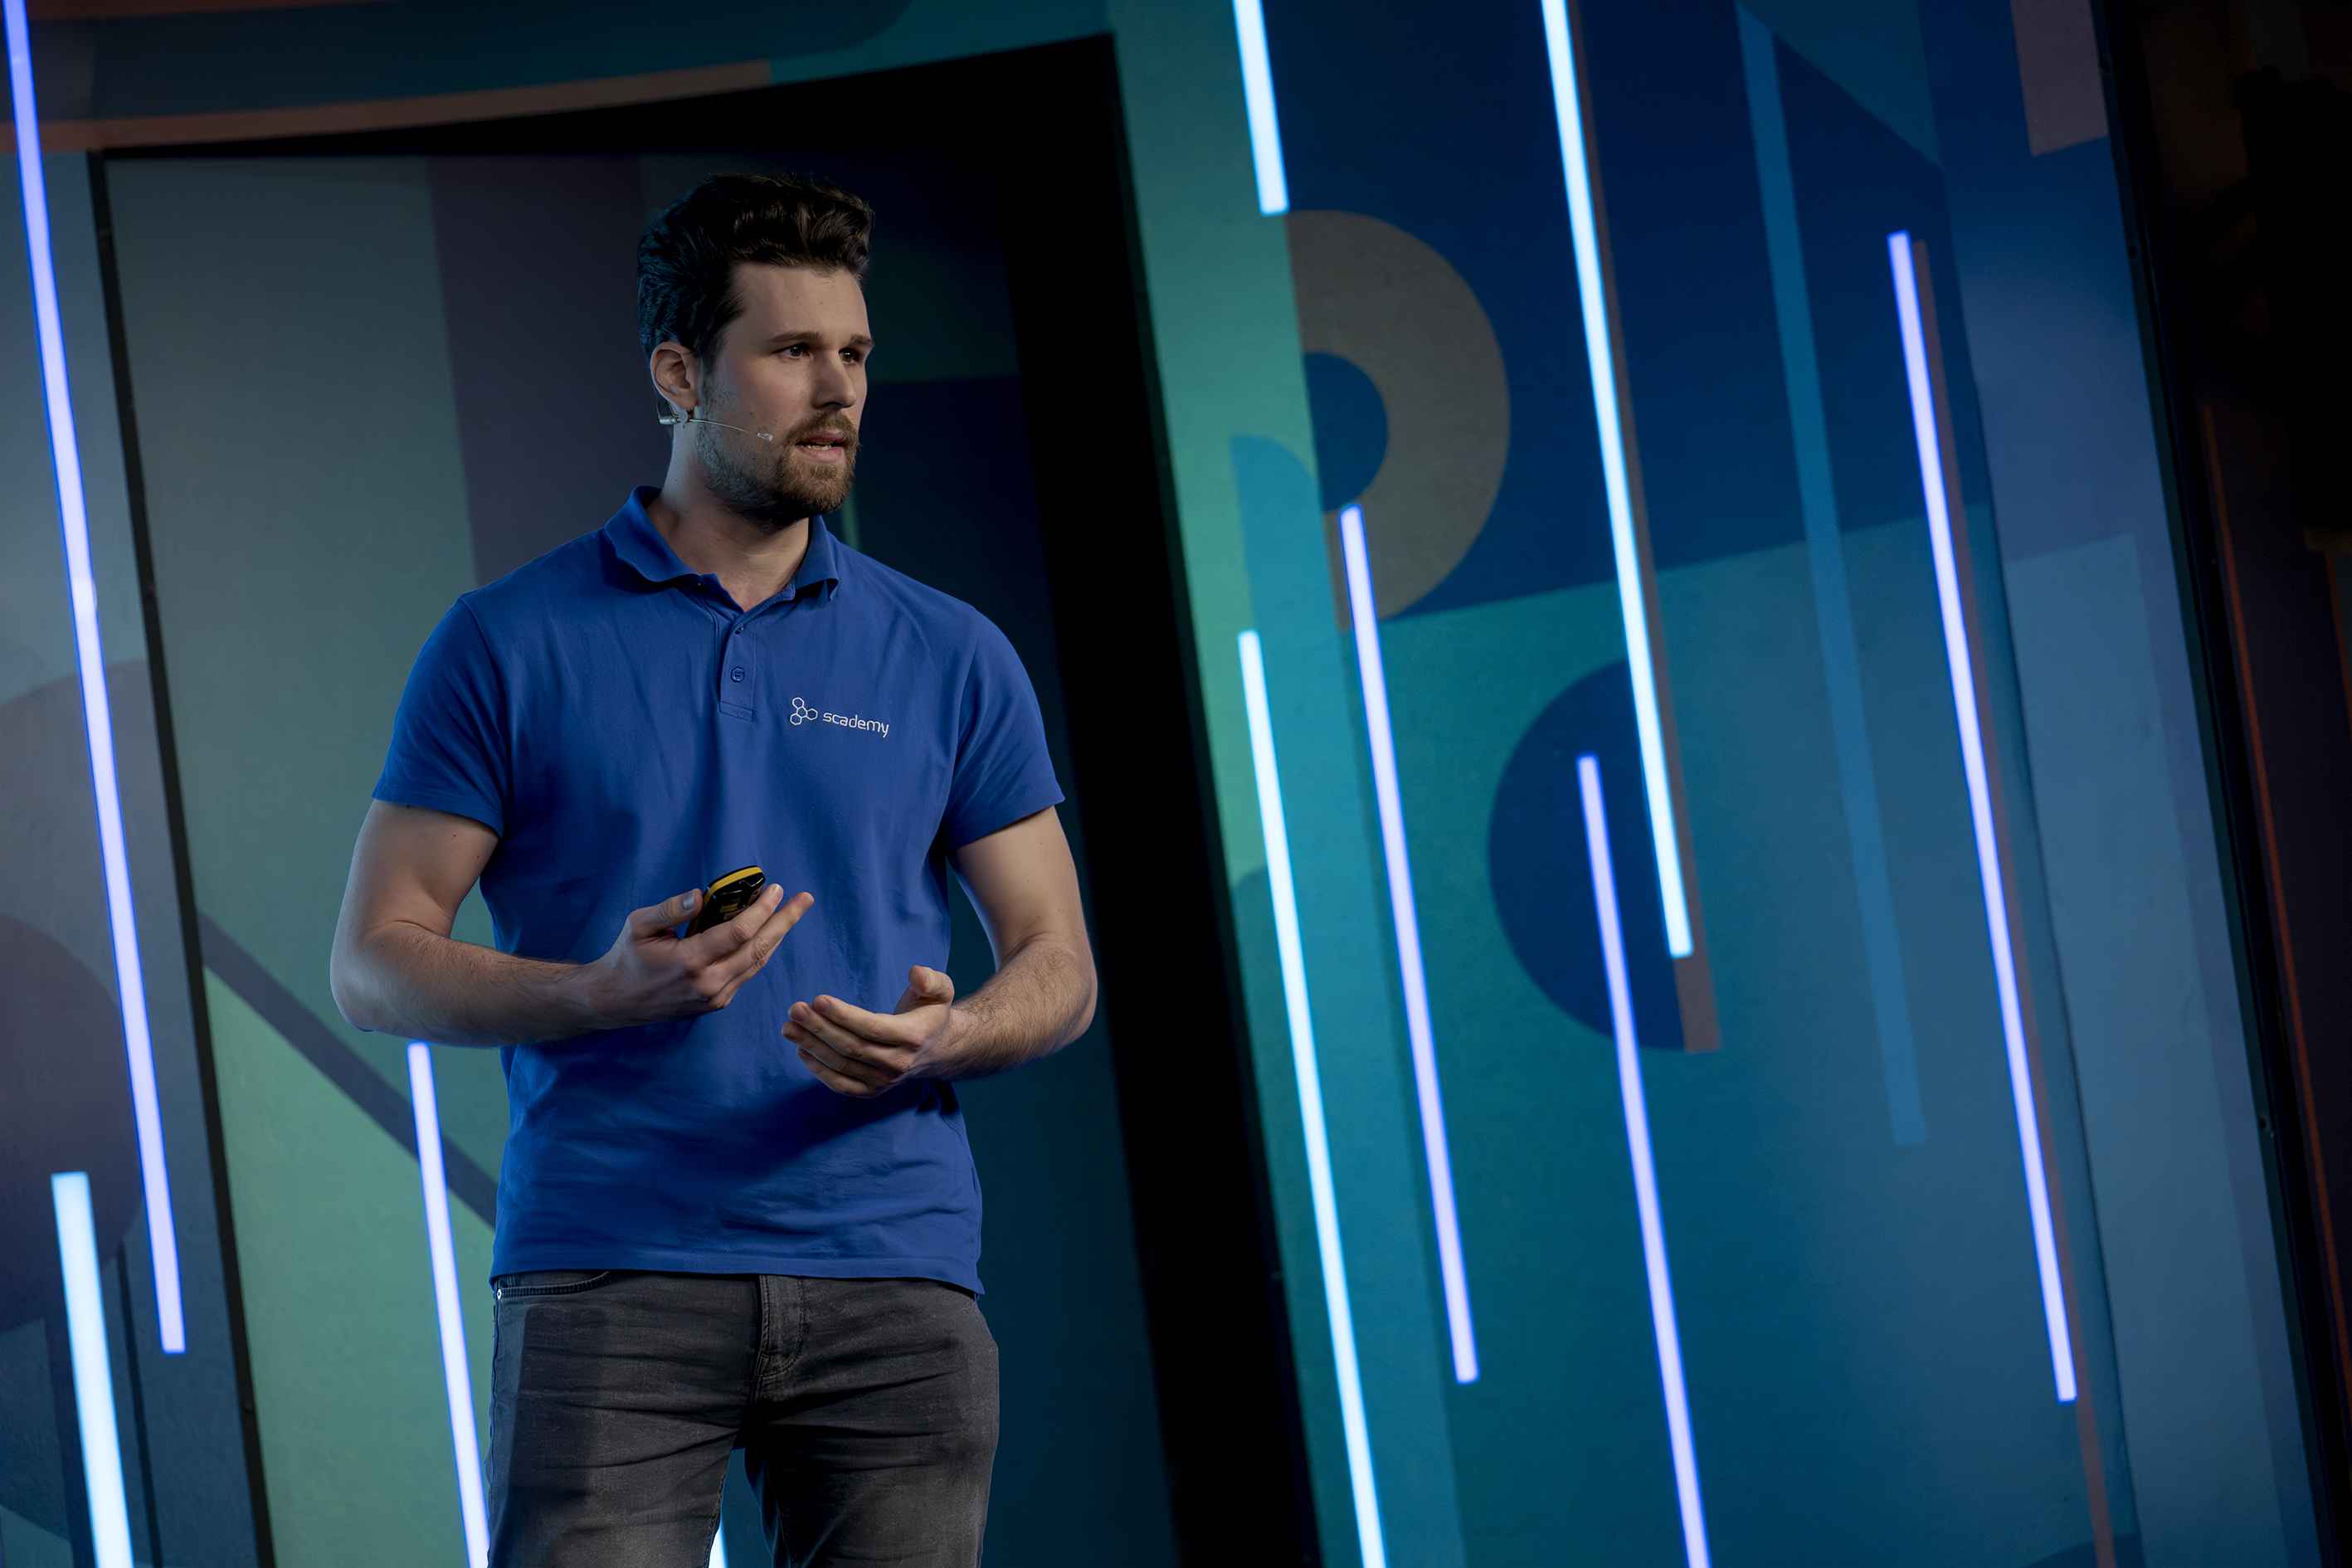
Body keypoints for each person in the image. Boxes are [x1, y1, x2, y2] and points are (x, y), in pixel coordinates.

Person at [328, 171, 1097, 1568]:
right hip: (612, 1268)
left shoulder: (951, 653)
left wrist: (956, 1032)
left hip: (895, 1276)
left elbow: (1060, 960)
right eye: (793, 351)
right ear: (680, 370)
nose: (839, 388)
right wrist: (601, 989)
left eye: (855, 352)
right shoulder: (508, 640)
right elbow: (374, 957)